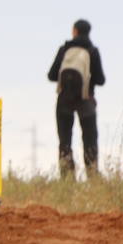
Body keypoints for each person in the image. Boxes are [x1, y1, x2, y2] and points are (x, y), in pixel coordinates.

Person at [46, 18, 106, 179]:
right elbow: (101, 80)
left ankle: (67, 178)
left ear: (74, 31)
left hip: (64, 100)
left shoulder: (64, 49)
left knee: (65, 141)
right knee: (90, 140)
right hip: (86, 100)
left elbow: (52, 75)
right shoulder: (92, 51)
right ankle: (92, 175)